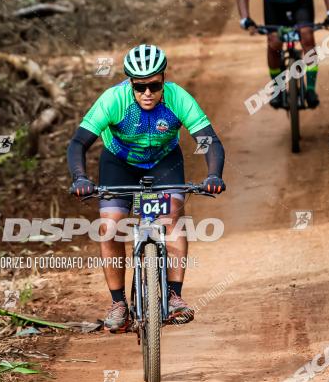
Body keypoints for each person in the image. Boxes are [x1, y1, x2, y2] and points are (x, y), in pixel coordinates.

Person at [66, 44, 226, 332]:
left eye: (154, 85)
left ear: (163, 79)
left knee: (172, 218)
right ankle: (118, 304)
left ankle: (174, 296)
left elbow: (210, 140)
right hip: (119, 162)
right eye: (140, 88)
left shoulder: (178, 98)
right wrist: (80, 177)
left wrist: (214, 174)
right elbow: (79, 143)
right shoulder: (113, 100)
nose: (148, 93)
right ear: (130, 83)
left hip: (165, 162)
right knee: (110, 225)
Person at [236, 0, 329, 108]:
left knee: (307, 36)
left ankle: (310, 89)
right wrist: (245, 18)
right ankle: (277, 89)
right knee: (273, 42)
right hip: (274, 6)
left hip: (301, 3)